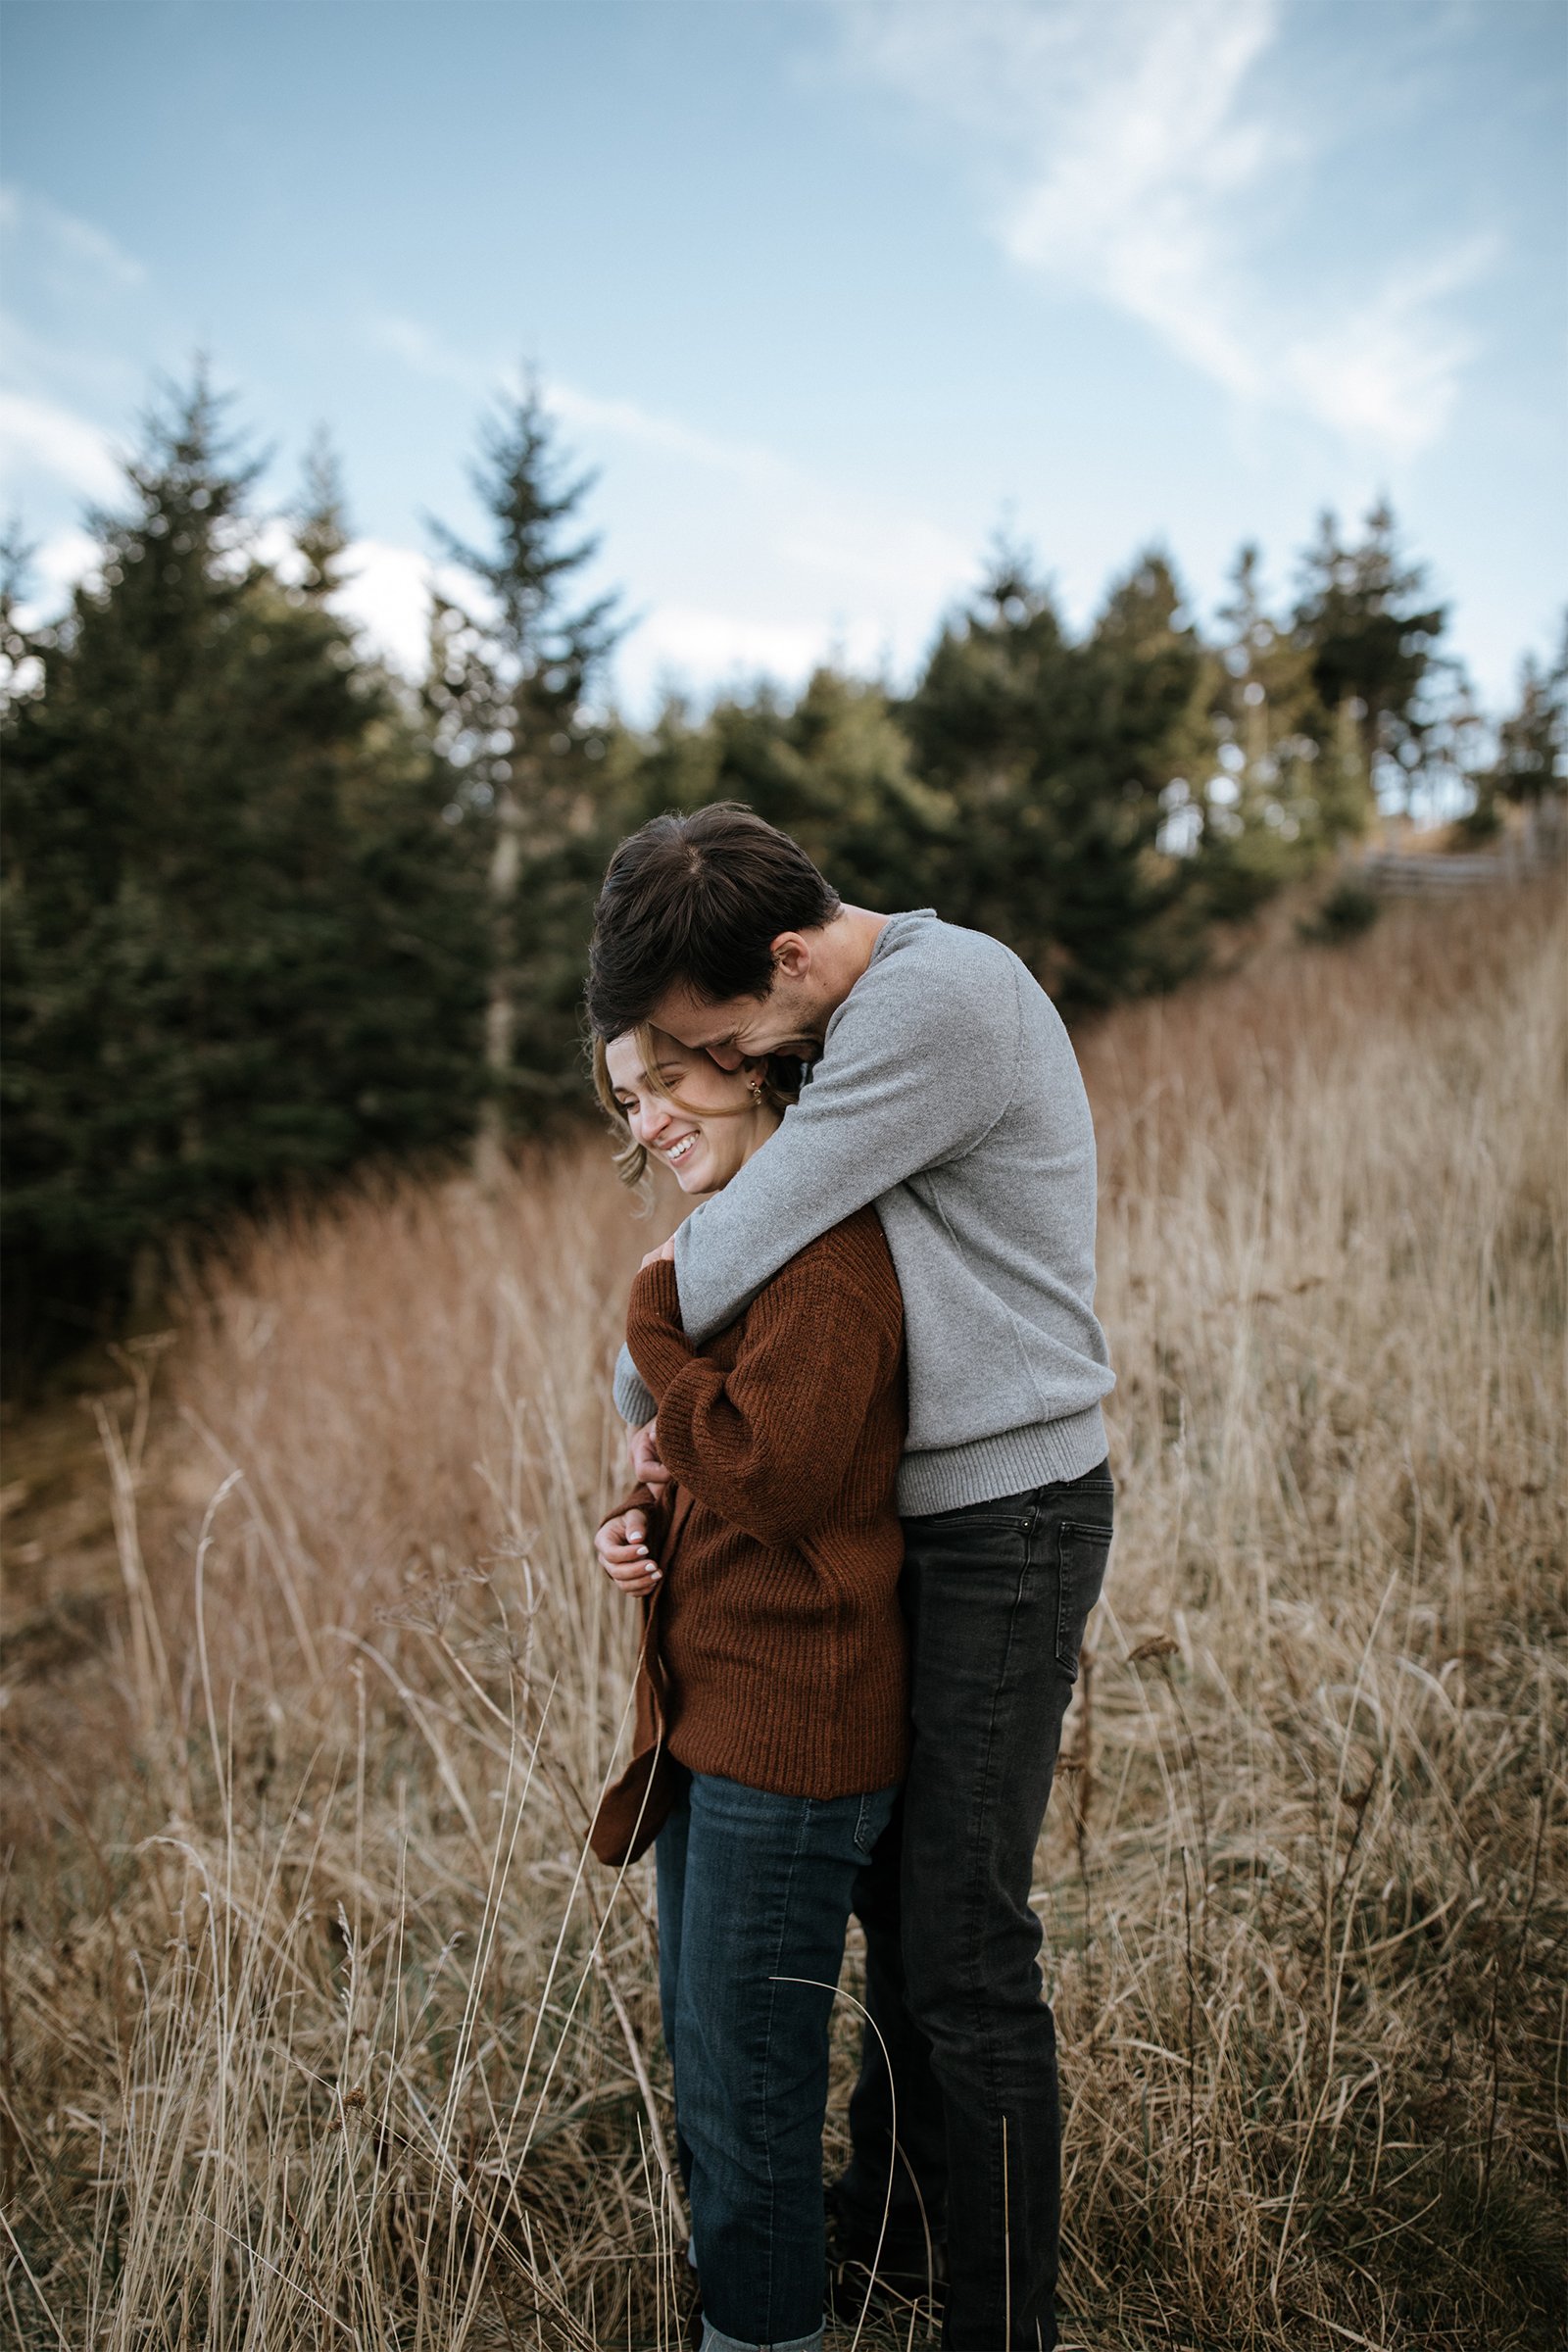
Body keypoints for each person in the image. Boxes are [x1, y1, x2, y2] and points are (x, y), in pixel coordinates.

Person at [587, 805, 1115, 2352]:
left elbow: (756, 1224)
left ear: (794, 954)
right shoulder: (838, 1015)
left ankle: (998, 2324)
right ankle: (881, 2252)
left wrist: (644, 1385)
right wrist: (660, 1479)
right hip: (909, 1510)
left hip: (1008, 1513)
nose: (730, 1069)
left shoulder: (937, 1004)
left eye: (720, 1036)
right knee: (900, 1909)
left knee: (960, 1943)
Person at [590, 1020, 909, 2352]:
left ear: (759, 1063)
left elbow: (781, 1479)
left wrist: (650, 1332)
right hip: (721, 1720)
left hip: (795, 1743)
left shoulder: (822, 1261)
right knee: (714, 2061)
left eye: (671, 1080)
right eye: (626, 1100)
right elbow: (727, 1465)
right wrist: (639, 1519)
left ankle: (768, 2334)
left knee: (746, 2094)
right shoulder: (738, 1253)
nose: (650, 1120)